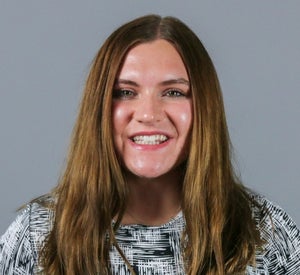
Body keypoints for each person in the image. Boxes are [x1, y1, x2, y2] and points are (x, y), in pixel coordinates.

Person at [0, 14, 300, 275]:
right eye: (126, 92)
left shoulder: (265, 231)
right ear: (99, 108)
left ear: (205, 107)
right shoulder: (38, 234)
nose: (148, 114)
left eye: (173, 92)